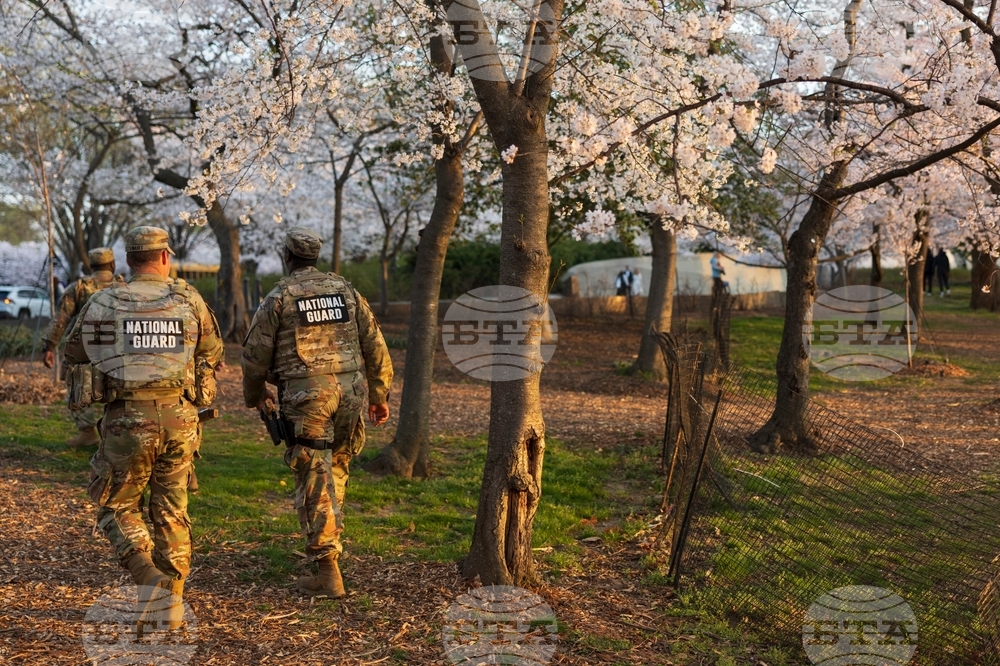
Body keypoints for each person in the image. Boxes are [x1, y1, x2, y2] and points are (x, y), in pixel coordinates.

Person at [63, 226, 223, 629]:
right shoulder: (188, 298)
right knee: (172, 508)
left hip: (126, 420)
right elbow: (213, 350)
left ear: (129, 260)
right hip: (179, 418)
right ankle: (171, 600)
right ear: (165, 256)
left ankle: (149, 578)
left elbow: (74, 349)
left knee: (116, 505)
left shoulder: (105, 300)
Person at [242, 226, 393, 598]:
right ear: (316, 257)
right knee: (335, 467)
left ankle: (328, 570)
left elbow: (254, 356)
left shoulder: (279, 297)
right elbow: (375, 343)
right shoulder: (347, 292)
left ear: (287, 257)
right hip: (351, 393)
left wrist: (255, 394)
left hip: (308, 396)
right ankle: (331, 548)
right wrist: (378, 394)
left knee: (315, 473)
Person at [42, 247, 122, 448]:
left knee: (76, 390)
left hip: (84, 351)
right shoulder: (124, 287)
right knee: (120, 392)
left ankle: (88, 432)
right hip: (118, 352)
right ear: (112, 264)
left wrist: (49, 346)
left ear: (91, 266)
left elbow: (61, 320)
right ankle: (117, 434)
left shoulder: (78, 287)